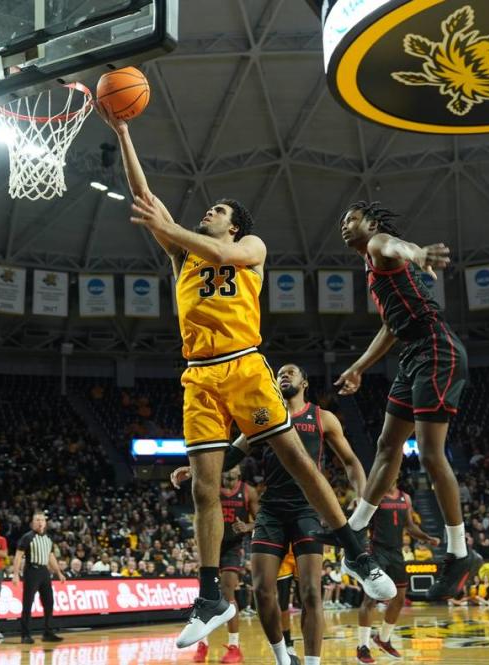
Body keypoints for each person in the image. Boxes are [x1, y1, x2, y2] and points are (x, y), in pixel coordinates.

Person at [97, 102, 395, 653]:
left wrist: (172, 228)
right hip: (198, 377)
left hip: (244, 366)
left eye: (216, 210)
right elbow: (148, 200)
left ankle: (355, 552)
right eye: (206, 210)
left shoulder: (251, 249)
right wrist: (123, 132)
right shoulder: (183, 258)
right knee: (206, 490)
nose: (207, 214)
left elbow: (205, 243)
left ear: (233, 225)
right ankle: (210, 596)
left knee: (299, 462)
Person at [173, 362, 370, 665]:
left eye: (290, 372)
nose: (283, 376)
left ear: (305, 381)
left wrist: (362, 496)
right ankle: (283, 658)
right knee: (263, 592)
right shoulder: (263, 416)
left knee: (311, 593)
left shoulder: (323, 417)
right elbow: (233, 454)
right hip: (271, 511)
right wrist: (198, 469)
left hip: (307, 510)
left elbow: (350, 461)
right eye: (279, 374)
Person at [334, 201, 481, 599]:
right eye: (343, 222)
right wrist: (359, 367)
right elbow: (390, 327)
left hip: (437, 348)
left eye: (351, 219)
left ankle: (459, 550)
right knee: (386, 445)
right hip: (413, 354)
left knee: (431, 453)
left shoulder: (379, 244)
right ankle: (358, 527)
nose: (345, 226)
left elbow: (399, 246)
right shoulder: (371, 267)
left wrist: (418, 253)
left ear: (371, 223)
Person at [356, 482, 439, 664]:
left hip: (396, 553)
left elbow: (409, 526)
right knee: (370, 598)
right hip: (376, 552)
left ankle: (383, 639)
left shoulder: (405, 497)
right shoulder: (375, 494)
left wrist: (427, 538)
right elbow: (360, 522)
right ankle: (362, 646)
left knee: (399, 599)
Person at [191, 465, 258, 663]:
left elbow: (261, 519)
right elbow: (200, 514)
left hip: (232, 548)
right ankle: (202, 643)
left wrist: (247, 526)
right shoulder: (211, 486)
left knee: (229, 594)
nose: (229, 471)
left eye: (233, 467)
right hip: (210, 544)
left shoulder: (248, 491)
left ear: (240, 471)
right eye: (226, 468)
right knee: (205, 595)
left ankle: (234, 647)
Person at [12, 512, 65, 644]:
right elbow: (18, 556)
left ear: (45, 523)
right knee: (28, 603)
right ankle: (25, 635)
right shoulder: (27, 537)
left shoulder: (48, 538)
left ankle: (47, 632)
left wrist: (58, 572)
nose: (40, 522)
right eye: (37, 520)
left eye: (42, 520)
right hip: (32, 571)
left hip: (44, 571)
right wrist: (16, 574)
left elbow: (51, 556)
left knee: (49, 602)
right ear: (33, 522)